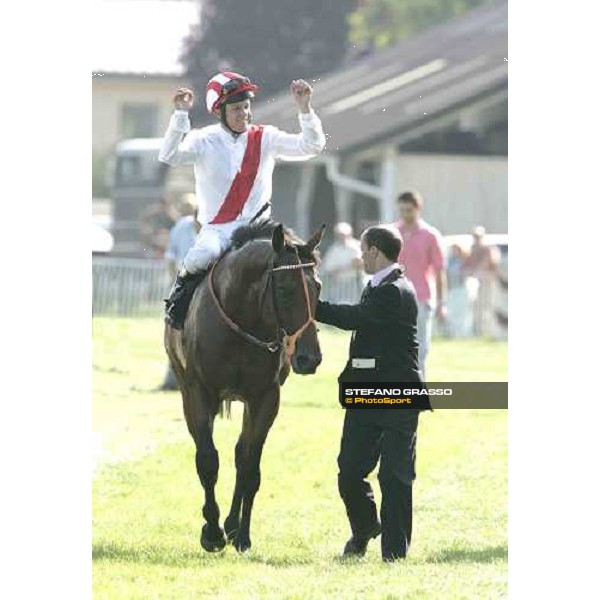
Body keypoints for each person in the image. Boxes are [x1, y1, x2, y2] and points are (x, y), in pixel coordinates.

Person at [159, 71, 326, 329]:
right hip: (218, 230)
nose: (244, 114)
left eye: (246, 107)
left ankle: (305, 326)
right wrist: (180, 114)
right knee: (199, 257)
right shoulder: (204, 139)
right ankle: (178, 303)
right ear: (219, 112)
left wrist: (305, 109)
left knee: (297, 260)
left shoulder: (266, 137)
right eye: (236, 109)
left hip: (260, 229)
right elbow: (169, 155)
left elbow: (311, 146)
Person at [316, 225, 429, 561]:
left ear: (376, 251)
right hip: (367, 393)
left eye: (363, 250)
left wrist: (311, 305)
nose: (359, 256)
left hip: (397, 395)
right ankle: (365, 527)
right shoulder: (378, 286)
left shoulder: (394, 290)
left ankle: (394, 554)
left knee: (394, 476)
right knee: (350, 469)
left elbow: (355, 318)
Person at [395, 191, 447, 377]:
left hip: (422, 298)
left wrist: (442, 303)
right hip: (395, 298)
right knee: (395, 348)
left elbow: (439, 271)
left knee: (420, 348)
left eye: (409, 210)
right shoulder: (393, 233)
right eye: (401, 210)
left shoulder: (430, 235)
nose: (405, 214)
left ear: (418, 209)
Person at [159, 193, 202, 391]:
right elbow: (170, 256)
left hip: (203, 286)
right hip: (184, 283)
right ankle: (172, 377)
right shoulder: (181, 228)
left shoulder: (212, 228)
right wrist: (174, 284)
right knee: (175, 326)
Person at [464, 226, 500, 336]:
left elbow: (494, 266)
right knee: (476, 308)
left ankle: (487, 331)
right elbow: (468, 265)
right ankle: (478, 331)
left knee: (487, 307)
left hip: (486, 282)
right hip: (475, 283)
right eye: (475, 236)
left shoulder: (489, 249)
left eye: (478, 236)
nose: (477, 238)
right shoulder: (472, 249)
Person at [320, 222, 363, 303]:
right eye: (339, 234)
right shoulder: (334, 249)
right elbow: (328, 268)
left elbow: (359, 263)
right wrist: (347, 267)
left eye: (344, 234)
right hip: (339, 285)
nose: (342, 237)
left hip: (356, 284)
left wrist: (346, 267)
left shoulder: (357, 246)